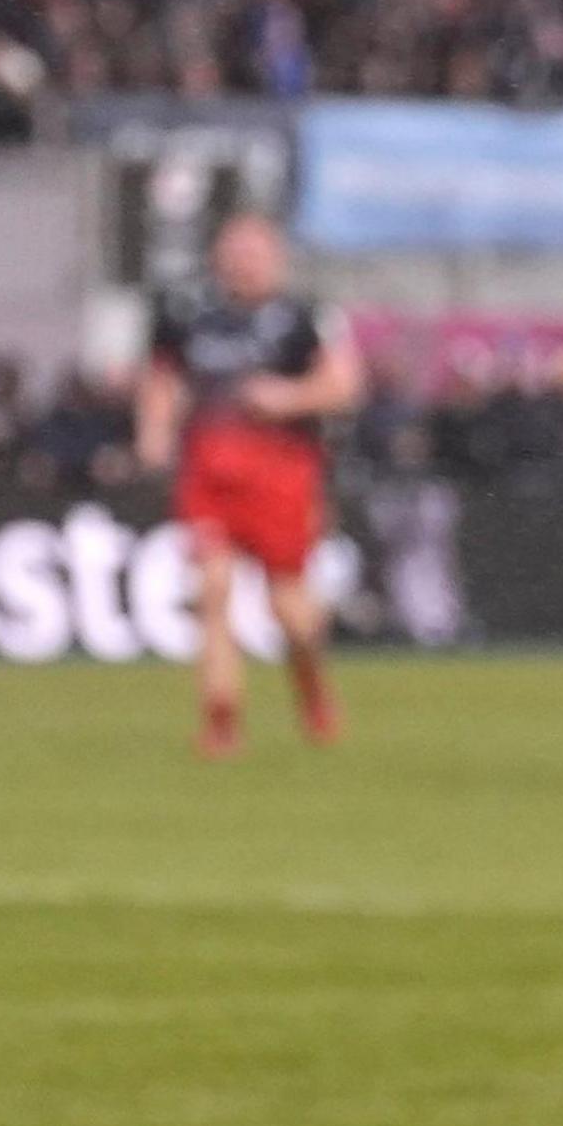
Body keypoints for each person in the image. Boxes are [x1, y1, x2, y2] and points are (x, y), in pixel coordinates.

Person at [134, 211, 363, 756]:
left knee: (288, 609)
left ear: (276, 258)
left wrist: (287, 397)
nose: (243, 263)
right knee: (211, 590)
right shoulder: (188, 312)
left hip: (282, 471)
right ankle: (221, 719)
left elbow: (344, 385)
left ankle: (312, 687)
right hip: (209, 470)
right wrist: (154, 431)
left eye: (254, 252)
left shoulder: (305, 316)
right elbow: (162, 378)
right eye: (234, 251)